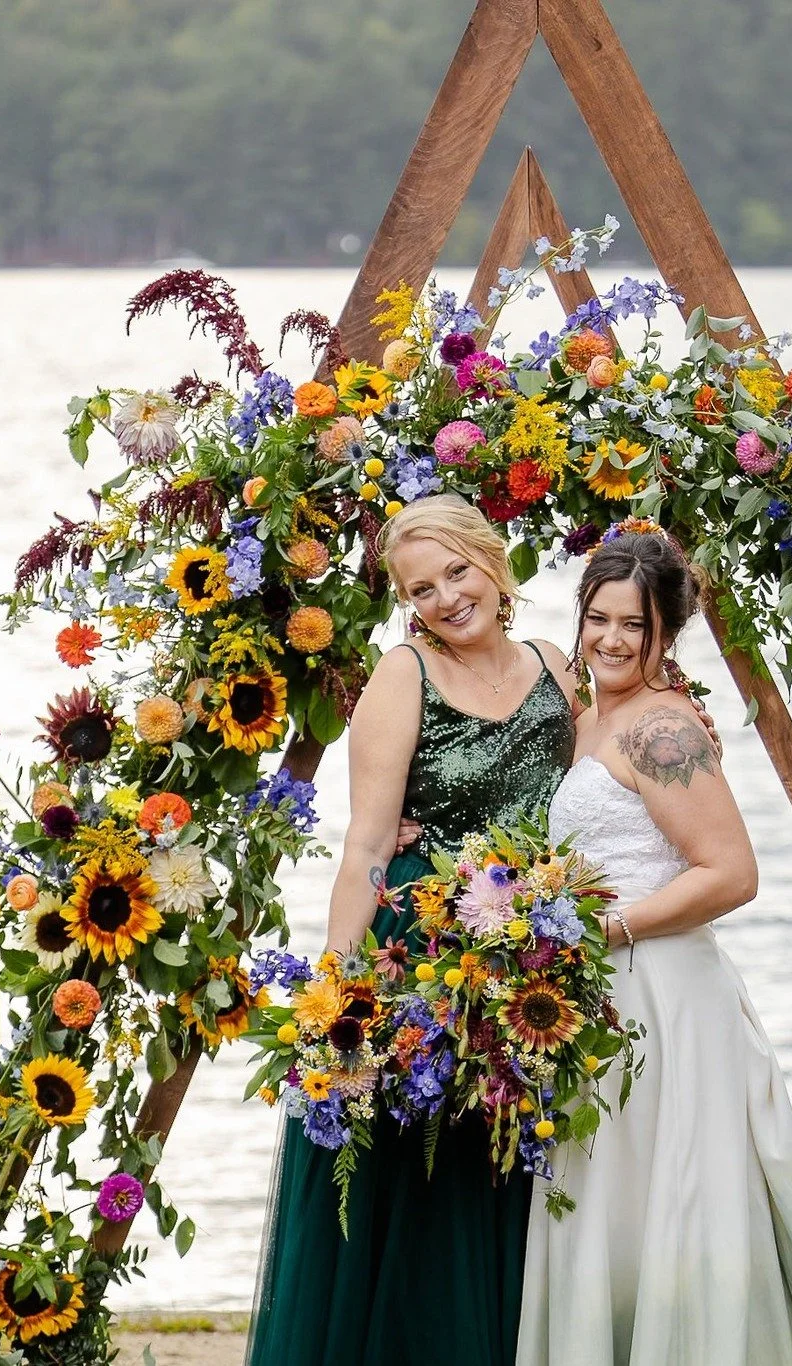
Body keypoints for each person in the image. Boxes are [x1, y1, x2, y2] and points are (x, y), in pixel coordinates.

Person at [516, 531, 792, 1366]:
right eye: (598, 618)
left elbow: (733, 873)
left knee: (669, 1199)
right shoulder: (586, 717)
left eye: (633, 626)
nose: (610, 639)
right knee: (614, 1206)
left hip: (661, 994)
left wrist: (610, 928)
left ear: (666, 634)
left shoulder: (663, 730)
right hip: (602, 997)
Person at [247, 494, 578, 1366]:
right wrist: (336, 987)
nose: (446, 599)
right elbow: (366, 840)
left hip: (534, 953)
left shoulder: (555, 664)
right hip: (421, 956)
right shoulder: (405, 675)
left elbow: (602, 787)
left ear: (493, 562)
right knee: (427, 1184)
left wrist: (680, 726)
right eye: (420, 589)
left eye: (457, 572)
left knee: (507, 1172)